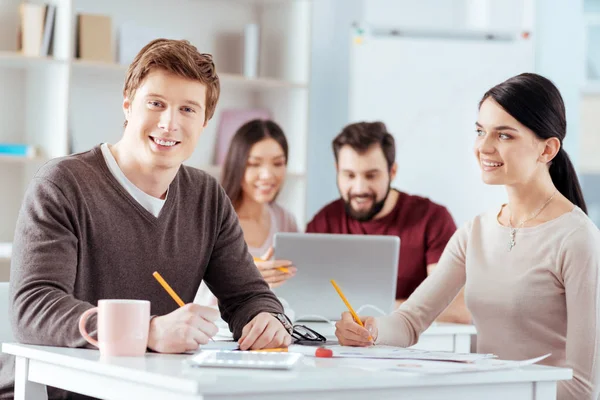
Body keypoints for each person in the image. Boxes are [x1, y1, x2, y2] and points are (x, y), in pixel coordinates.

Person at [0, 39, 293, 399]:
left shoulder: (207, 197)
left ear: (205, 122)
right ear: (127, 104)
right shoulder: (62, 184)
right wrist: (146, 332)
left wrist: (268, 319)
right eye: (156, 104)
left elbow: (248, 295)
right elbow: (34, 307)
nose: (169, 123)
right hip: (53, 391)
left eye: (188, 109)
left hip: (150, 389)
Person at [334, 73, 600, 400]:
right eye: (480, 131)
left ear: (547, 149)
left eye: (504, 135)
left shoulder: (577, 238)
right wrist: (369, 330)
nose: (483, 147)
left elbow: (583, 387)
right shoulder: (476, 232)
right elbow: (408, 323)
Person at [306, 121, 470, 323]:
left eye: (371, 175)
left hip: (415, 346)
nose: (359, 188)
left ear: (392, 172)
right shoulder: (324, 222)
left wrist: (382, 310)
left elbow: (458, 309)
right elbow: (304, 300)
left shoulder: (432, 218)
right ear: (337, 170)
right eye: (349, 175)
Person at [195, 119, 298, 307]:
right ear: (237, 165)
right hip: (215, 329)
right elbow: (193, 296)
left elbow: (296, 289)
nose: (267, 175)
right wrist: (244, 280)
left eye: (278, 163)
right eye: (254, 164)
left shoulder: (285, 220)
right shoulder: (211, 219)